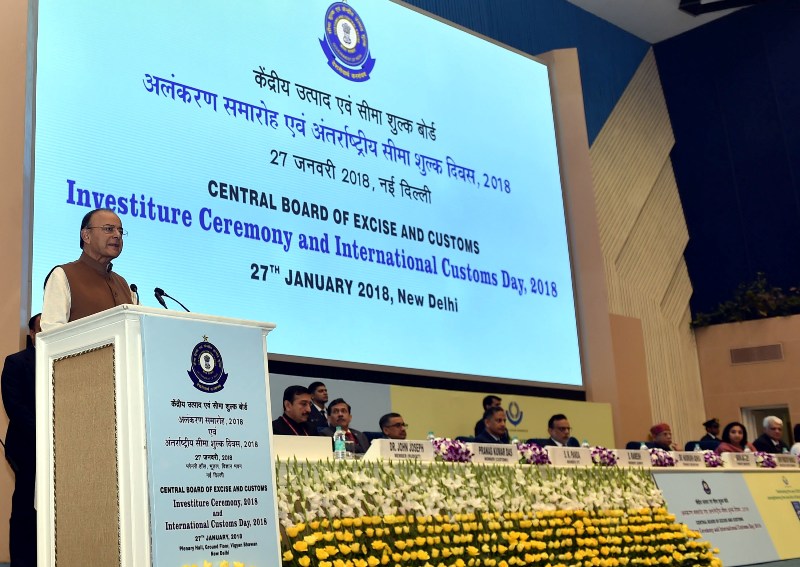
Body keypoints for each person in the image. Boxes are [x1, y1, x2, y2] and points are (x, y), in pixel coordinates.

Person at [41, 208, 136, 331]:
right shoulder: (63, 275)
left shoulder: (124, 285)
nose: (117, 235)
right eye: (109, 229)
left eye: (120, 231)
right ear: (86, 236)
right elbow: (52, 333)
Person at [1, 314, 40, 567]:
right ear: (32, 334)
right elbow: (14, 407)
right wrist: (44, 433)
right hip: (27, 448)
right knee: (26, 509)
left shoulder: (67, 361)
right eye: (42, 328)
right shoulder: (16, 362)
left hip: (60, 449)